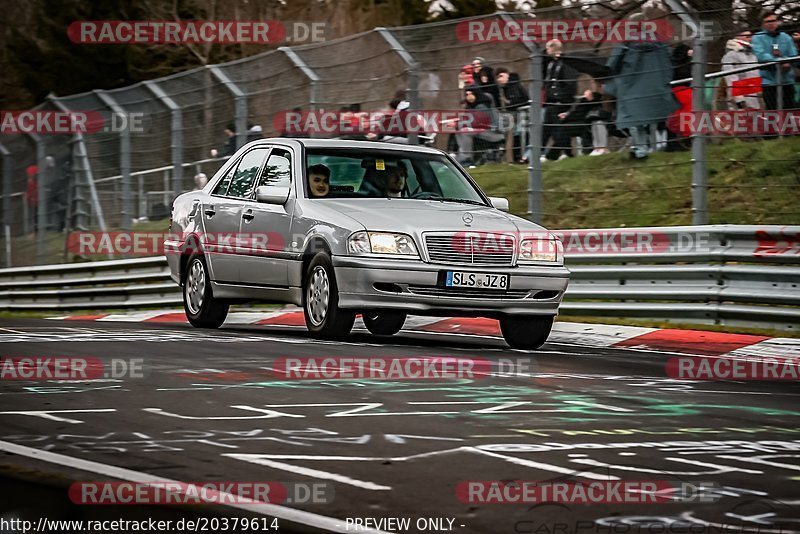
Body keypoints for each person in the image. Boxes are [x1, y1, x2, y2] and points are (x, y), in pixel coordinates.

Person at [604, 14, 679, 160]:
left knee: (634, 119)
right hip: (656, 86)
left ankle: (640, 148)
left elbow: (613, 65)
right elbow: (669, 62)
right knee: (654, 117)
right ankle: (656, 147)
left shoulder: (626, 43)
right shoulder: (660, 42)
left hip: (631, 87)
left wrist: (610, 84)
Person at [752, 11, 798, 110]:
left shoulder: (786, 37)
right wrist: (780, 62)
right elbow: (761, 55)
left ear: (778, 22)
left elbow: (793, 54)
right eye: (768, 21)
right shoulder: (757, 38)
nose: (771, 23)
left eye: (773, 21)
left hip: (786, 80)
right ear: (763, 24)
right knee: (772, 110)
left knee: (789, 110)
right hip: (769, 82)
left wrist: (787, 62)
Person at [542, 39, 578, 161]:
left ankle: (563, 153)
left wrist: (564, 98)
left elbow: (570, 84)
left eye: (548, 48)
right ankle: (561, 153)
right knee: (549, 129)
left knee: (558, 129)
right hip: (551, 101)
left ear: (553, 48)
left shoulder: (565, 63)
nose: (546, 51)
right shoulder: (550, 64)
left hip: (561, 102)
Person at [455, 86, 505, 167]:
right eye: (467, 94)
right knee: (461, 129)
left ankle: (467, 158)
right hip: (484, 130)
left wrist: (458, 123)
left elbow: (476, 122)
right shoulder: (473, 106)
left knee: (465, 131)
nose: (469, 96)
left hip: (493, 132)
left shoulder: (482, 105)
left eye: (471, 94)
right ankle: (461, 155)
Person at [722, 31, 761, 110]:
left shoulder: (752, 55)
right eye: (747, 37)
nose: (750, 39)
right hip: (741, 98)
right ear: (738, 37)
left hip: (753, 95)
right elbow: (731, 78)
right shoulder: (731, 55)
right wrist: (739, 100)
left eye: (751, 36)